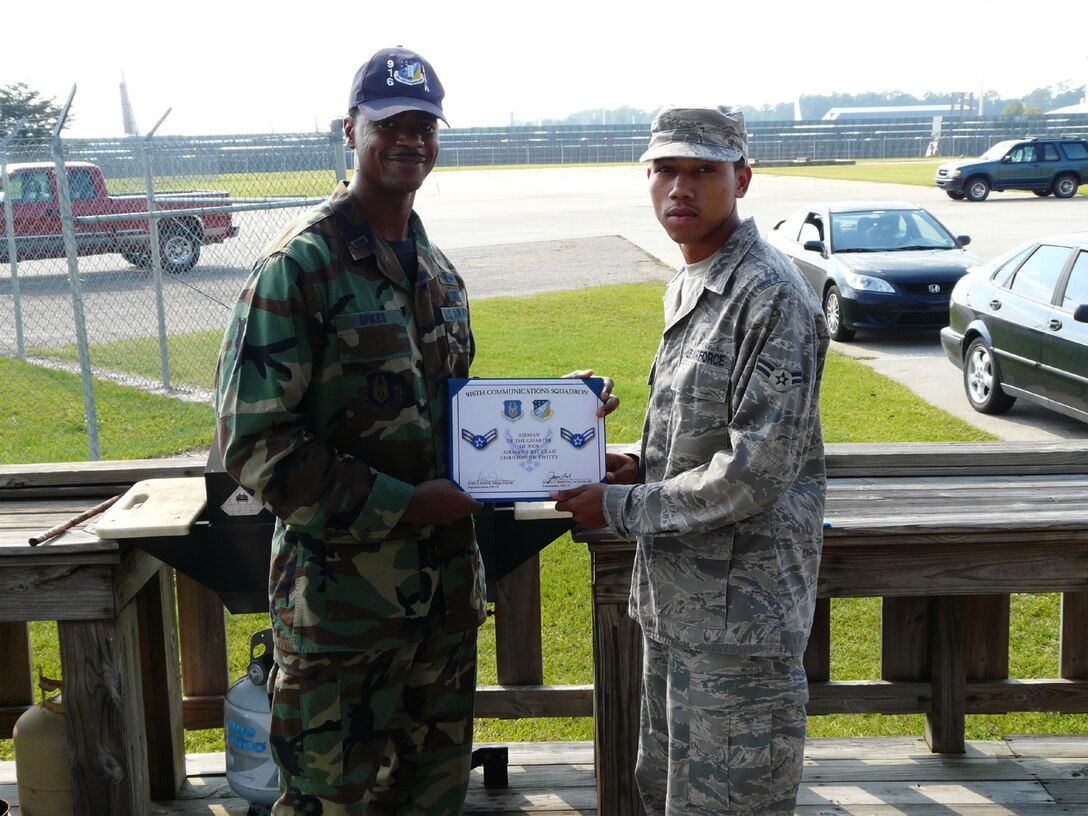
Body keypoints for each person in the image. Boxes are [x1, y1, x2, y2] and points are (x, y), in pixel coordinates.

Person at [214, 46, 615, 815]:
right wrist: (403, 504)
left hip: (441, 607)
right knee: (328, 804)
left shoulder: (435, 269)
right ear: (350, 129)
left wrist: (553, 409)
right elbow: (256, 446)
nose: (410, 140)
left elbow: (451, 418)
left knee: (430, 801)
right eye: (389, 123)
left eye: (425, 125)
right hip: (341, 618)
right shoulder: (299, 269)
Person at [552, 106, 830, 815]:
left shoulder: (770, 294)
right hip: (681, 608)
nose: (682, 186)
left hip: (741, 625)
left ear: (742, 177)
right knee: (671, 794)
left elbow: (755, 471)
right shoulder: (696, 278)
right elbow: (701, 436)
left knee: (731, 804)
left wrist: (619, 507)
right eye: (666, 168)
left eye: (703, 170)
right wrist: (635, 466)